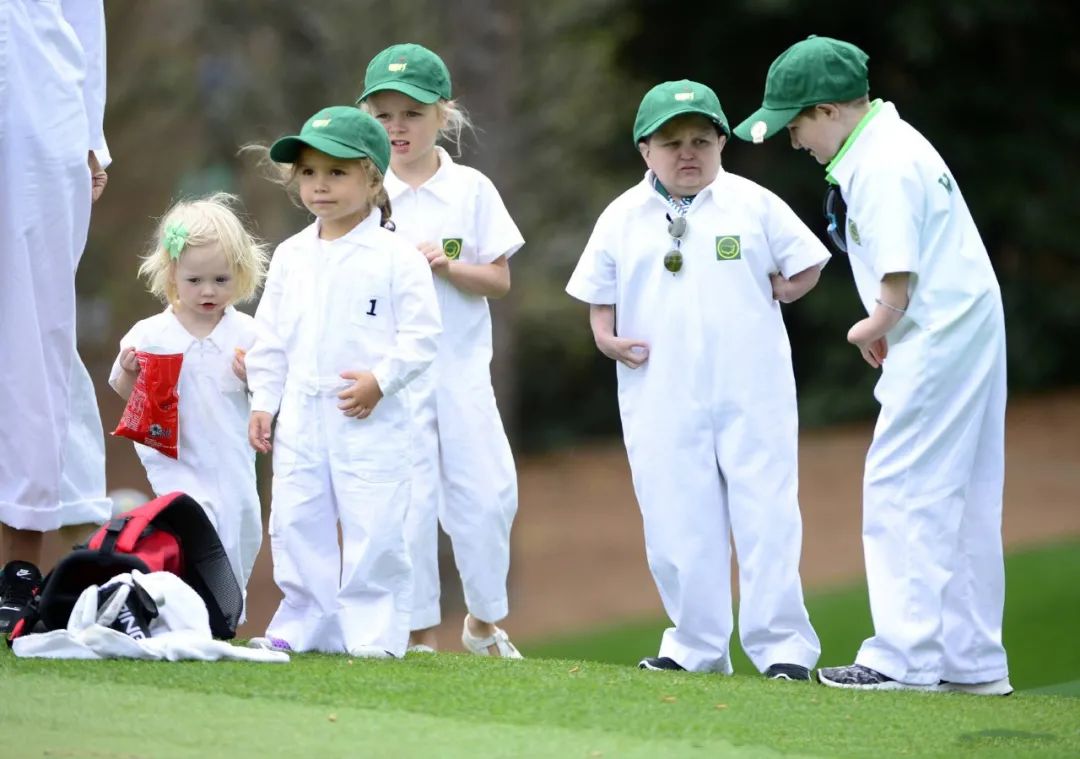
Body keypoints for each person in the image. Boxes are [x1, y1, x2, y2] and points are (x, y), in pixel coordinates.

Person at [733, 35, 1011, 695]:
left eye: (797, 124)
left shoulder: (879, 161)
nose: (796, 141)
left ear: (829, 110)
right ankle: (971, 662)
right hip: (960, 322)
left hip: (938, 329)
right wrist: (892, 319)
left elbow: (898, 273)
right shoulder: (892, 143)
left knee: (901, 484)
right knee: (960, 492)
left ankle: (901, 657)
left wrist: (873, 322)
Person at [566, 80, 828, 679]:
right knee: (675, 517)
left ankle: (782, 648)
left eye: (701, 141)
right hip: (659, 387)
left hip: (751, 385)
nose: (688, 153)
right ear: (645, 150)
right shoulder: (621, 216)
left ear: (720, 145)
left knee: (767, 513)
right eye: (671, 142)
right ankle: (696, 646)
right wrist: (605, 337)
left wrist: (787, 288)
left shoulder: (752, 203)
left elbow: (808, 260)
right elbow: (597, 294)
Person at [243, 106, 441, 658]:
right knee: (296, 517)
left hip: (369, 416)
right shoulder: (290, 256)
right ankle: (306, 620)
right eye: (308, 173)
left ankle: (373, 633)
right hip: (302, 416)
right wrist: (264, 401)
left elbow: (423, 336)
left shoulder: (398, 258)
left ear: (373, 177)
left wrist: (381, 380)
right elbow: (270, 340)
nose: (319, 186)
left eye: (336, 172)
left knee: (373, 523)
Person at [357, 43, 524, 657]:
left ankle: (482, 624)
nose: (398, 128)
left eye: (412, 114)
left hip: (459, 372)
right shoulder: (365, 190)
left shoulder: (471, 189)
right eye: (385, 115)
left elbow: (499, 280)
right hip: (394, 379)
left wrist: (450, 265)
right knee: (409, 506)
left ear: (442, 116)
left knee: (489, 499)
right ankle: (418, 635)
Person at [0, 0, 112, 632]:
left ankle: (19, 565)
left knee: (31, 330)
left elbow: (82, 14)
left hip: (40, 112)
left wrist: (91, 135)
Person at [108, 193, 269, 621]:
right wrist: (129, 374)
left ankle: (227, 614)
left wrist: (253, 378)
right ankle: (186, 612)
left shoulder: (248, 334)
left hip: (231, 455)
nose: (208, 291)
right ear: (172, 276)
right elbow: (129, 397)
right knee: (195, 526)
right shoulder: (152, 333)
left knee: (241, 526)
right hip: (175, 456)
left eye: (220, 279)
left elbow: (270, 394)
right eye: (195, 281)